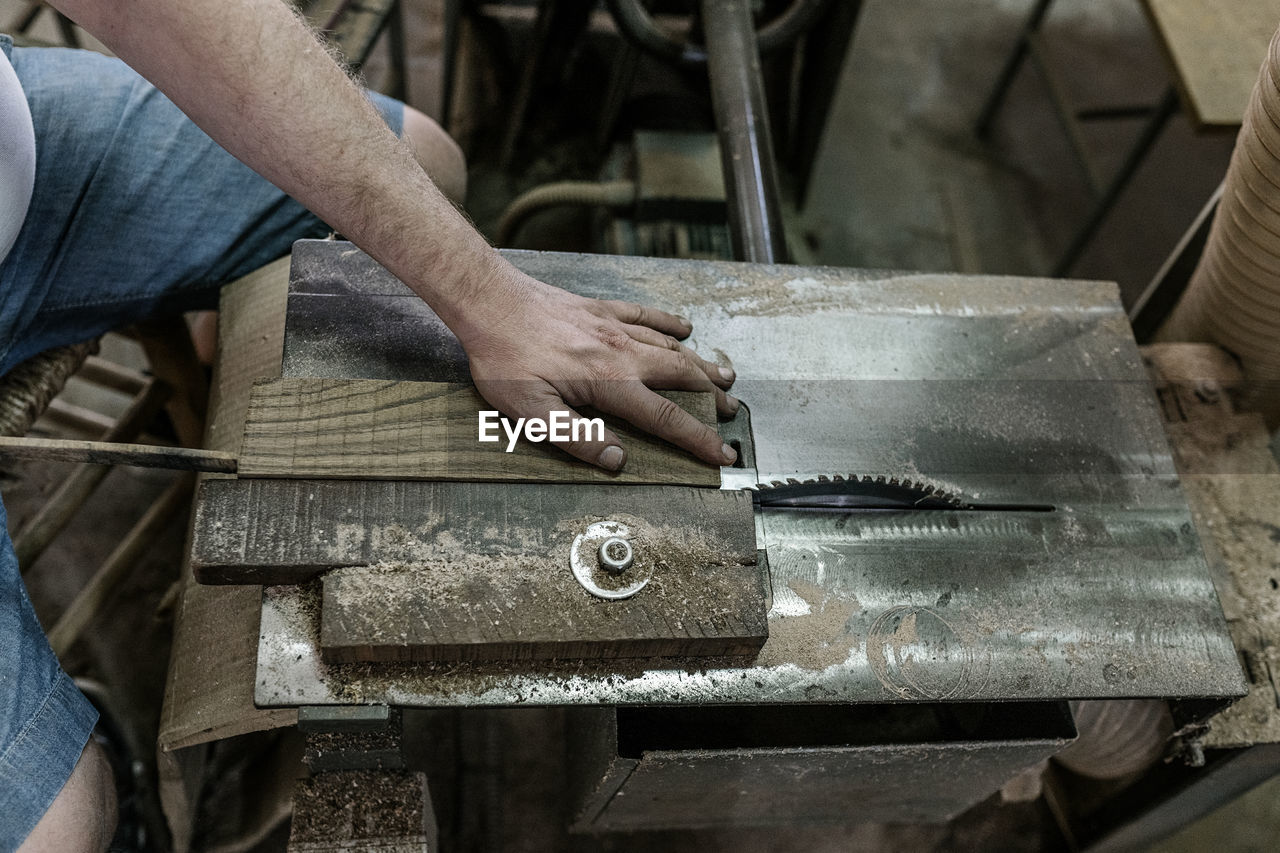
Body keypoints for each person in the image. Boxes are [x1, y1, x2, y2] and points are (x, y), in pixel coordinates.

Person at [1, 0, 740, 847]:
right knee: (65, 824)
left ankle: (243, 353)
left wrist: (491, 299)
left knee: (423, 163)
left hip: (16, 175)